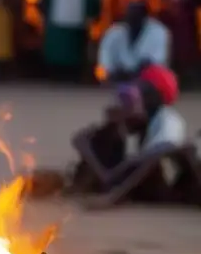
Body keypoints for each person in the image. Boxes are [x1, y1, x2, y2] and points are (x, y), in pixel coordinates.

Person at [71, 64, 198, 208]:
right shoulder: (144, 116)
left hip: (162, 181)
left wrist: (113, 187)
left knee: (147, 160)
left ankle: (112, 193)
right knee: (110, 133)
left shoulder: (169, 121)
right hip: (137, 174)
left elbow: (155, 156)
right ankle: (85, 185)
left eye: (145, 89)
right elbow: (79, 139)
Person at [96, 0, 170, 83]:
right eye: (130, 15)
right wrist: (110, 72)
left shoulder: (158, 32)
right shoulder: (114, 33)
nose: (132, 19)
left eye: (136, 16)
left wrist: (136, 72)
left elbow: (157, 62)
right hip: (118, 81)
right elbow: (104, 62)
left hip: (148, 82)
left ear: (144, 17)